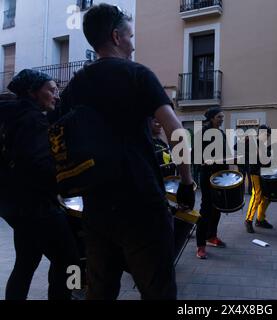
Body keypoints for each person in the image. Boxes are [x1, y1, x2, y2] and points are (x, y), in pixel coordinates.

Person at [60, 4, 195, 300]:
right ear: (117, 36)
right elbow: (177, 132)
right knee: (157, 289)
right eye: (131, 36)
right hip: (141, 203)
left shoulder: (74, 86)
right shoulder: (138, 74)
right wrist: (187, 182)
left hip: (96, 207)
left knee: (101, 290)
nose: (133, 45)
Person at [0, 69, 79, 300]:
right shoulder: (32, 120)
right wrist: (65, 182)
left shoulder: (12, 116)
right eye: (52, 90)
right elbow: (38, 164)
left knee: (26, 262)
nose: (56, 96)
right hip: (36, 205)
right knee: (68, 261)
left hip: (13, 206)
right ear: (33, 92)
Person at [196, 107, 228, 259]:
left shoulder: (221, 133)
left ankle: (211, 236)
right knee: (206, 209)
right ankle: (200, 245)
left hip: (220, 175)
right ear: (211, 118)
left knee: (217, 207)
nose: (221, 119)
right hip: (207, 175)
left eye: (222, 117)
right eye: (219, 117)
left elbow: (226, 153)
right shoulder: (202, 133)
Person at [244, 125, 274, 234]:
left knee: (267, 196)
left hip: (265, 173)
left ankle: (260, 219)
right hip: (255, 172)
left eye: (269, 136)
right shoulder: (252, 143)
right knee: (257, 195)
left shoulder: (264, 145)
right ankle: (248, 220)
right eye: (266, 135)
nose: (267, 137)